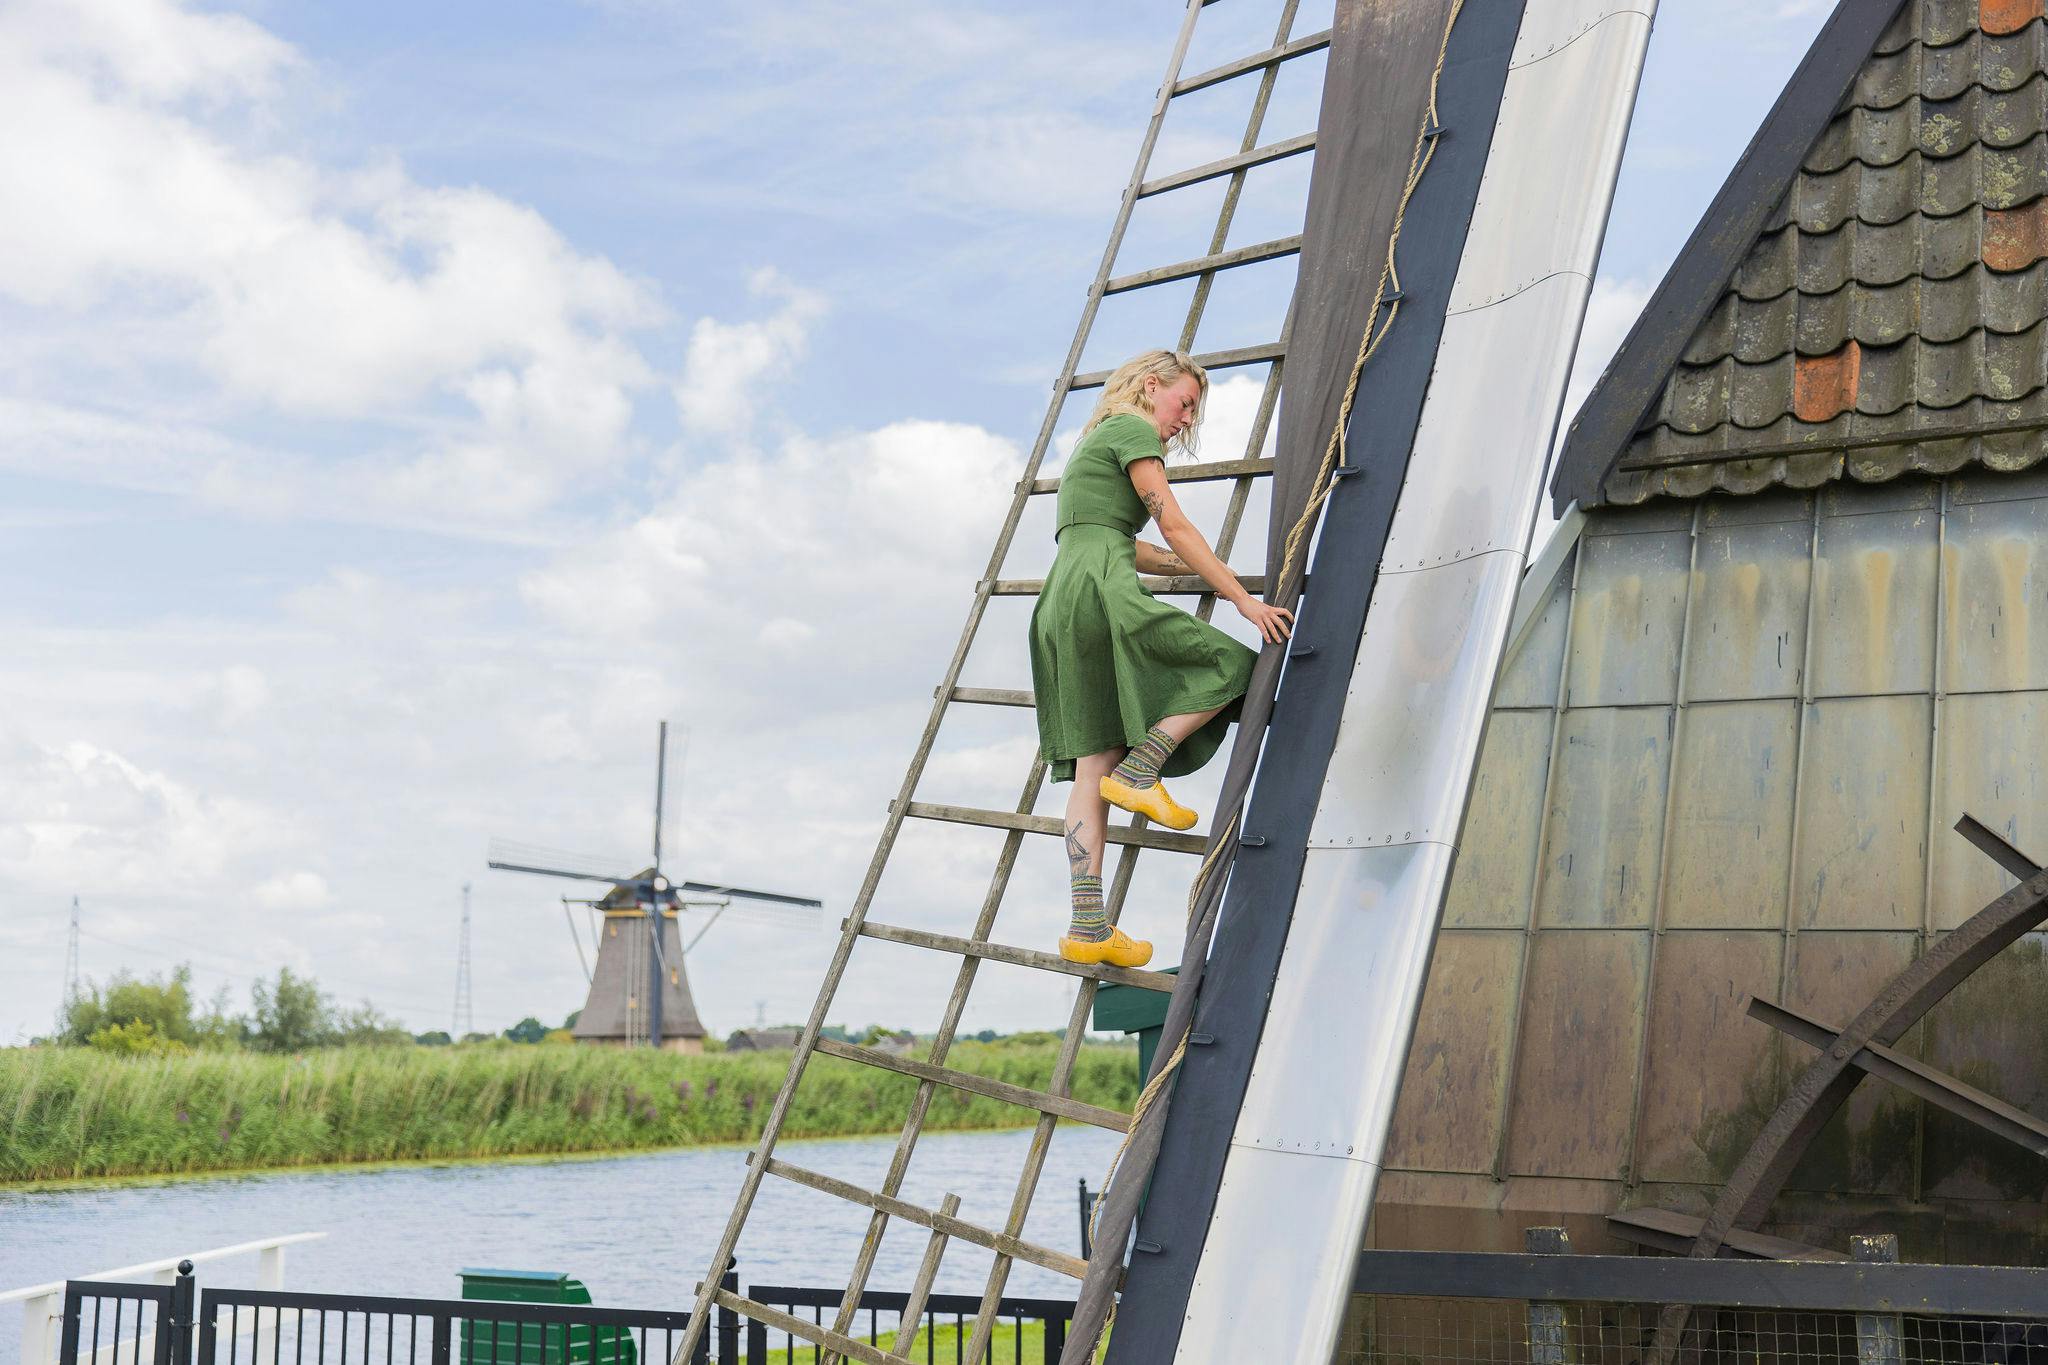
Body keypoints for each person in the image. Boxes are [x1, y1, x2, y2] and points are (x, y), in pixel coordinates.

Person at [1029, 350, 1294, 969]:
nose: (1185, 419)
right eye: (1184, 403)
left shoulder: (1093, 443)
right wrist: (1241, 598)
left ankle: (1088, 926)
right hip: (1100, 589)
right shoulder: (1131, 430)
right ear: (1152, 386)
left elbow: (1126, 542)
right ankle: (1142, 770)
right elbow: (1171, 524)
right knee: (1232, 665)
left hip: (1062, 600)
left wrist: (1202, 567)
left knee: (1092, 763)